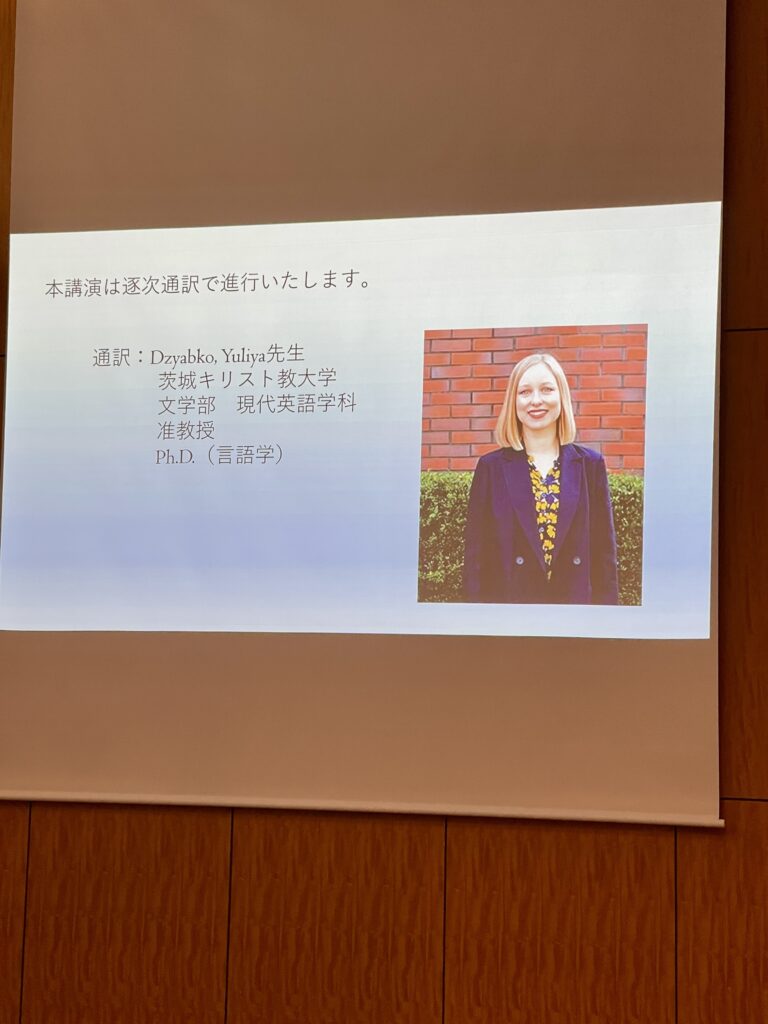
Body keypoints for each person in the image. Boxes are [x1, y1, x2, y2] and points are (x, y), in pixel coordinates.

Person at [463, 351, 619, 604]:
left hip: (574, 611)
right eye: (525, 392)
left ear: (561, 396)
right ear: (513, 401)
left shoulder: (591, 466)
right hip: (511, 611)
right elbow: (476, 560)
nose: (536, 400)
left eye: (546, 389)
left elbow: (604, 557)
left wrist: (607, 619)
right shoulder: (491, 468)